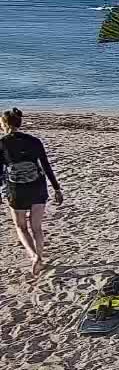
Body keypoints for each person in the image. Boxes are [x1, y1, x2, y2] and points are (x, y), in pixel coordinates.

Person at [1, 109, 62, 276]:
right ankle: (40, 257)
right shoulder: (35, 141)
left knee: (21, 227)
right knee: (36, 227)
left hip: (16, 190)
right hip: (38, 188)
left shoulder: (3, 143)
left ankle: (33, 255)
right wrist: (57, 188)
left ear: (5, 124)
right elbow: (46, 166)